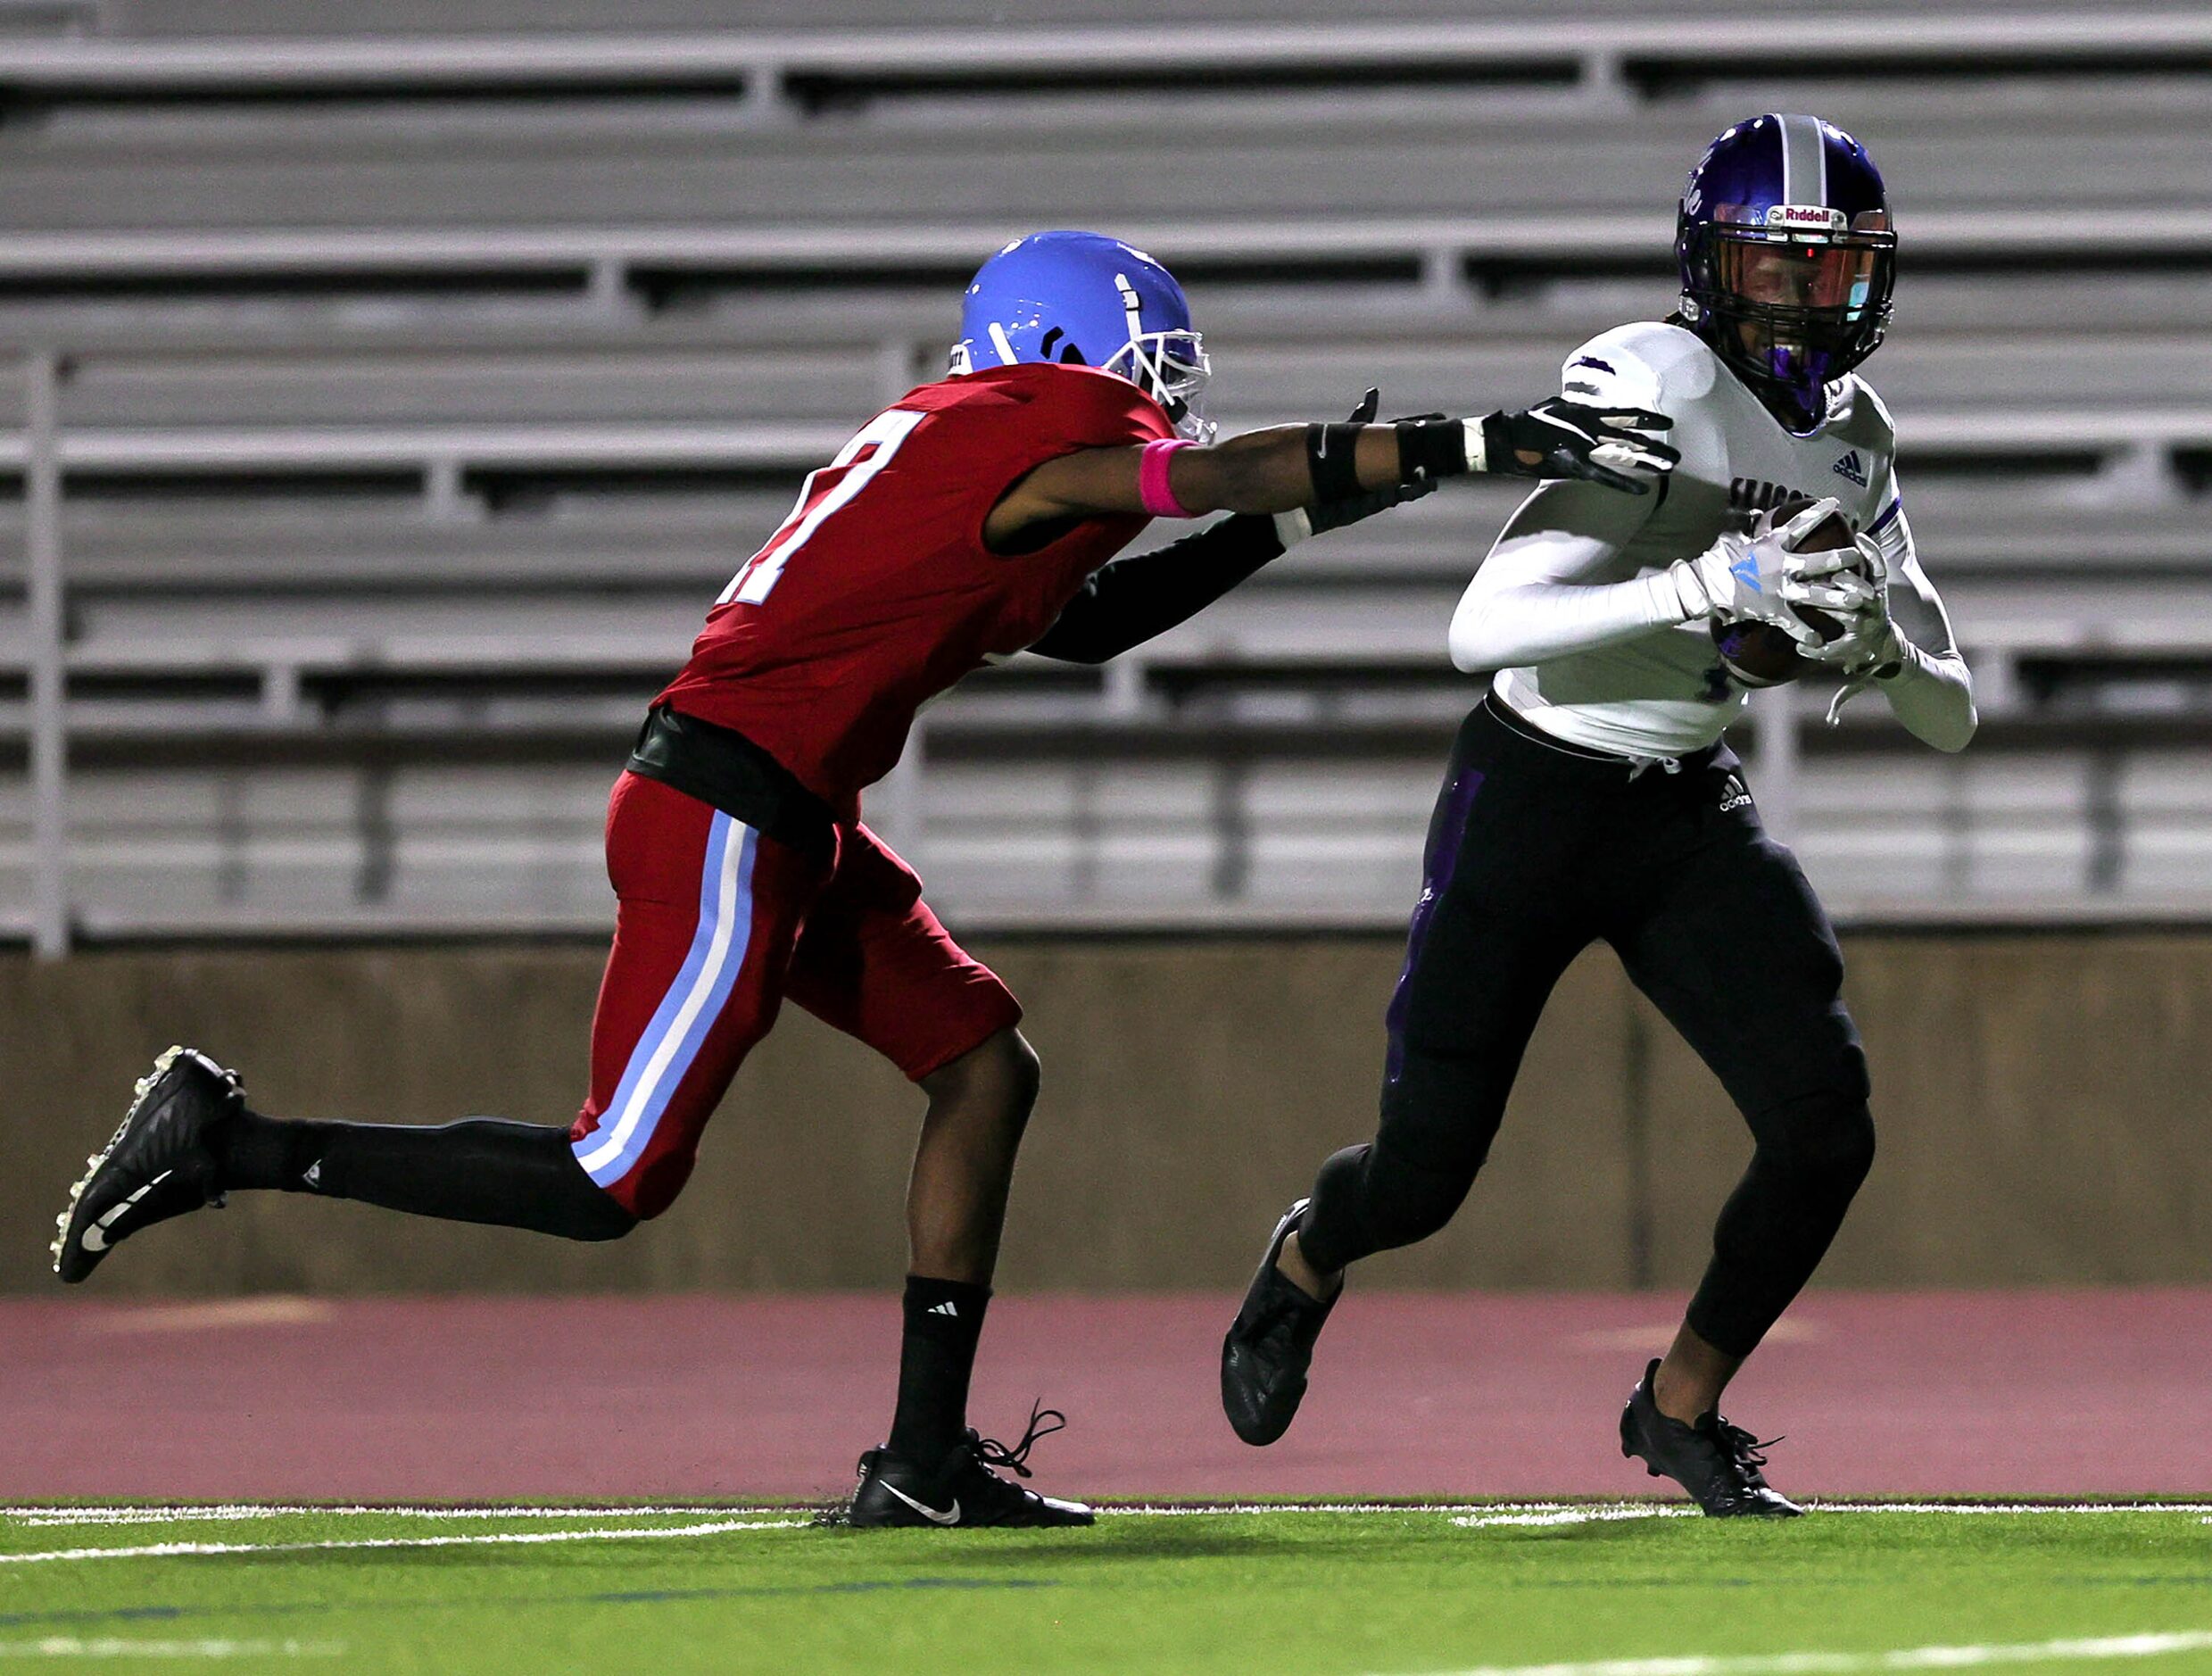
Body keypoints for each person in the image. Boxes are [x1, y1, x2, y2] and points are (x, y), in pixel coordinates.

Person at [52, 229, 1675, 1528]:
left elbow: (1095, 618)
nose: (1156, 406)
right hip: (727, 814)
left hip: (791, 810)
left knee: (982, 1065)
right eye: (1143, 374)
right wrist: (1450, 442)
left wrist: (1315, 516)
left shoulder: (965, 456)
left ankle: (920, 1460)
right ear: (1061, 356)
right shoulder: (1039, 422)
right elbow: (1211, 473)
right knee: (615, 1178)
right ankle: (230, 1141)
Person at [1219, 116, 1976, 1517]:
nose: (1804, 303)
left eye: (1832, 273)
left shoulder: (1857, 443)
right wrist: (1712, 586)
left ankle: (1679, 1404)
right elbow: (1483, 623)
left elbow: (1954, 711)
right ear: (1709, 268)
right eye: (1773, 268)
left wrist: (1880, 647)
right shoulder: (1659, 381)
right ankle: (1312, 1252)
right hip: (1535, 781)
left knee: (1826, 1125)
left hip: (1683, 800)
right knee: (1426, 1171)